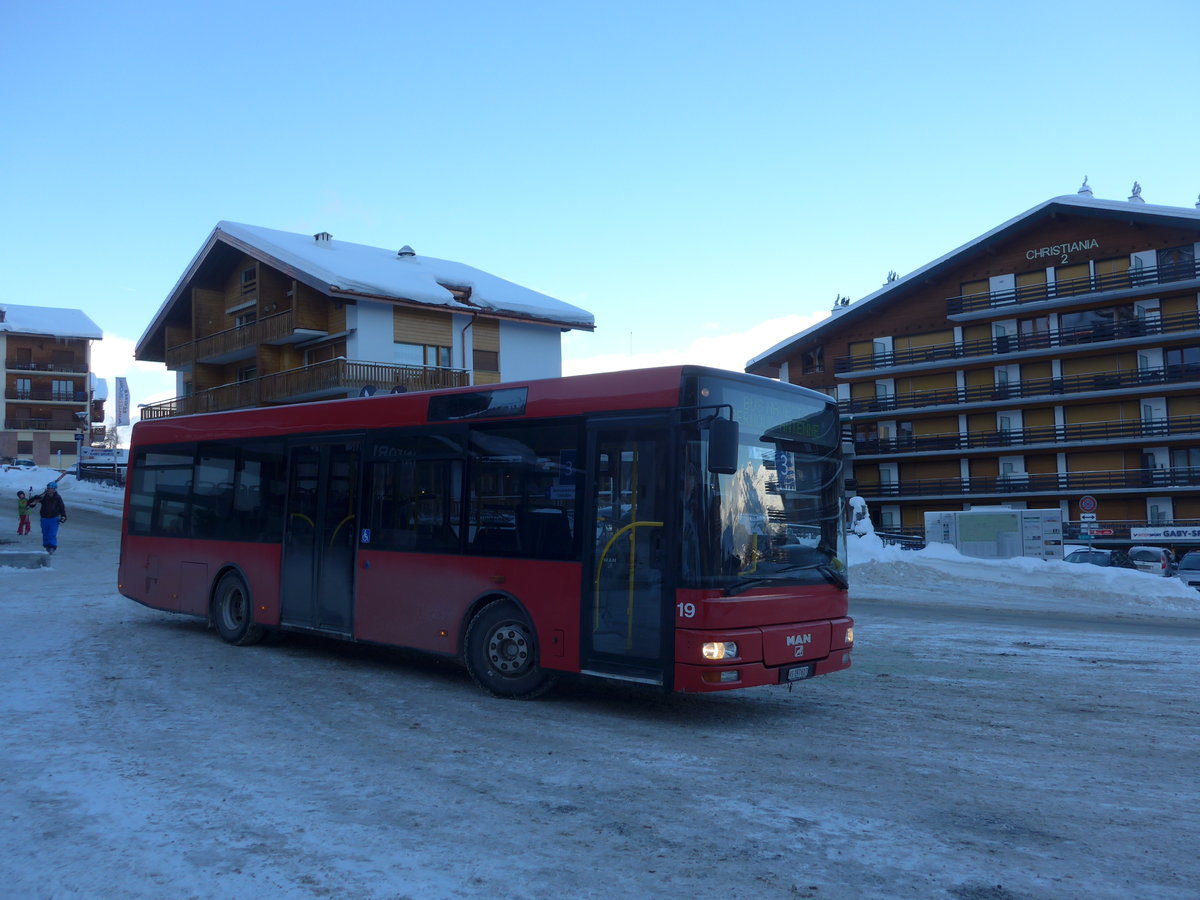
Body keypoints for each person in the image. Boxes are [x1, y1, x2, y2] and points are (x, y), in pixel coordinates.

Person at [26, 481, 67, 554]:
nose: (49, 490)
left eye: (51, 488)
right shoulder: (43, 496)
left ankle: (52, 547)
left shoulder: (57, 497)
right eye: (48, 488)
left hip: (54, 518)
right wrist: (35, 498)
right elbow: (31, 504)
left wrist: (63, 516)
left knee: (52, 533)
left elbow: (61, 507)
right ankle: (47, 545)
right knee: (45, 533)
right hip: (44, 518)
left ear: (55, 489)